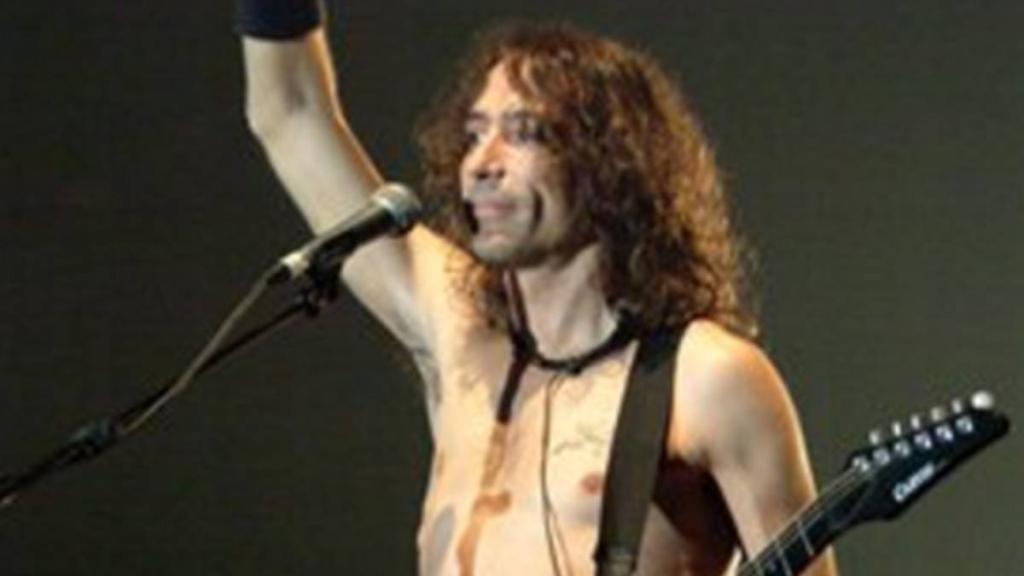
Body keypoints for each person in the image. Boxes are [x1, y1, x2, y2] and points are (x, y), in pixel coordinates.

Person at [237, 2, 839, 575]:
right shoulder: (462, 333)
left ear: (612, 163)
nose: (482, 163)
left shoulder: (707, 379)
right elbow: (289, 112)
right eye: (474, 134)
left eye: (523, 133)